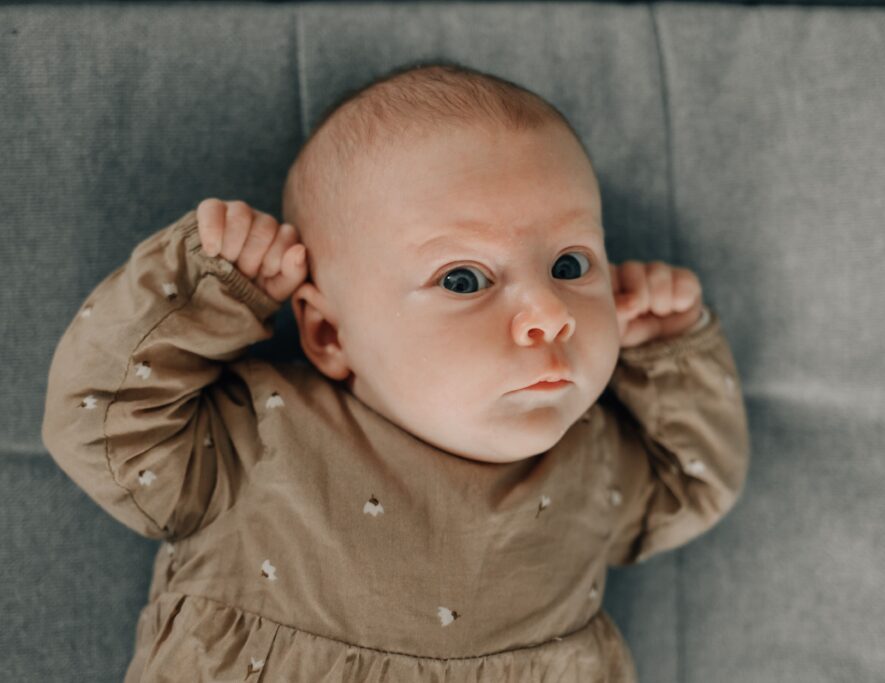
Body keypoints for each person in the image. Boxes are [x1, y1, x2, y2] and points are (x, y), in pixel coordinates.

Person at [41, 60, 750, 682]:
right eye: (465, 278)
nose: (549, 311)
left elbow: (693, 483)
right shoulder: (259, 436)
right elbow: (102, 420)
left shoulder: (592, 457)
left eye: (570, 264)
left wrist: (667, 356)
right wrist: (203, 289)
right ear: (326, 332)